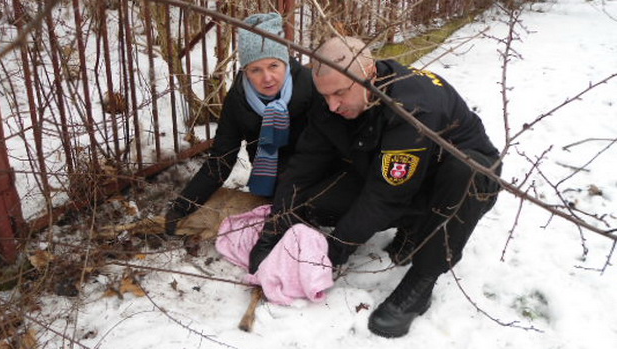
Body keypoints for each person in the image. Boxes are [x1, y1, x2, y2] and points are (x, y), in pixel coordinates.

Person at [248, 36, 502, 338]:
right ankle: (412, 227)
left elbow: (385, 196)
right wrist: (274, 228)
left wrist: (333, 253)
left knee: (466, 171)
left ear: (369, 74)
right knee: (313, 202)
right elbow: (306, 163)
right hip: (385, 173)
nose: (332, 105)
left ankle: (422, 280)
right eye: (326, 95)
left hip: (453, 183)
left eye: (340, 94)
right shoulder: (332, 93)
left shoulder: (414, 108)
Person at [164, 13, 320, 236]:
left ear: (285, 62)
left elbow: (327, 145)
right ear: (245, 70)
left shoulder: (309, 85)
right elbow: (221, 159)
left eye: (274, 66)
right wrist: (182, 207)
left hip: (312, 173)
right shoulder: (238, 99)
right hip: (270, 180)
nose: (267, 78)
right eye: (256, 69)